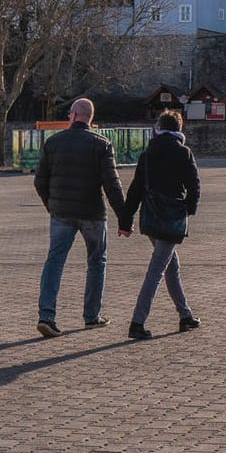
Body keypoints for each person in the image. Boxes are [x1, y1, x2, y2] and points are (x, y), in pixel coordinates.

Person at [33, 97, 128, 337]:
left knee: (55, 261)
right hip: (92, 212)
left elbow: (40, 181)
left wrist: (51, 205)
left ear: (74, 115)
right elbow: (112, 185)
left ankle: (47, 315)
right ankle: (91, 315)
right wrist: (124, 218)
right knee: (97, 261)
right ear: (90, 118)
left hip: (61, 213)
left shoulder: (53, 143)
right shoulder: (102, 144)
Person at [120, 110, 202, 340]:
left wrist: (126, 221)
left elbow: (135, 189)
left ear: (159, 127)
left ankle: (185, 314)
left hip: (151, 218)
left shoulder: (148, 153)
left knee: (171, 266)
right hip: (171, 219)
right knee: (156, 271)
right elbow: (194, 187)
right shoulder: (183, 152)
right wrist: (188, 210)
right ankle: (137, 322)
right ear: (178, 130)